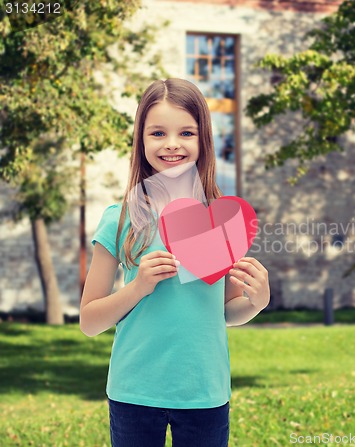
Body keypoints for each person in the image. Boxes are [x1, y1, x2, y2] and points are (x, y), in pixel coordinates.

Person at [80, 78, 270, 447]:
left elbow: (225, 312)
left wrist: (256, 302)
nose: (171, 144)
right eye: (157, 133)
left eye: (186, 132)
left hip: (204, 392)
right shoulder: (120, 219)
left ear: (203, 140)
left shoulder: (223, 220)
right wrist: (138, 287)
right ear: (141, 141)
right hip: (134, 392)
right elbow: (89, 321)